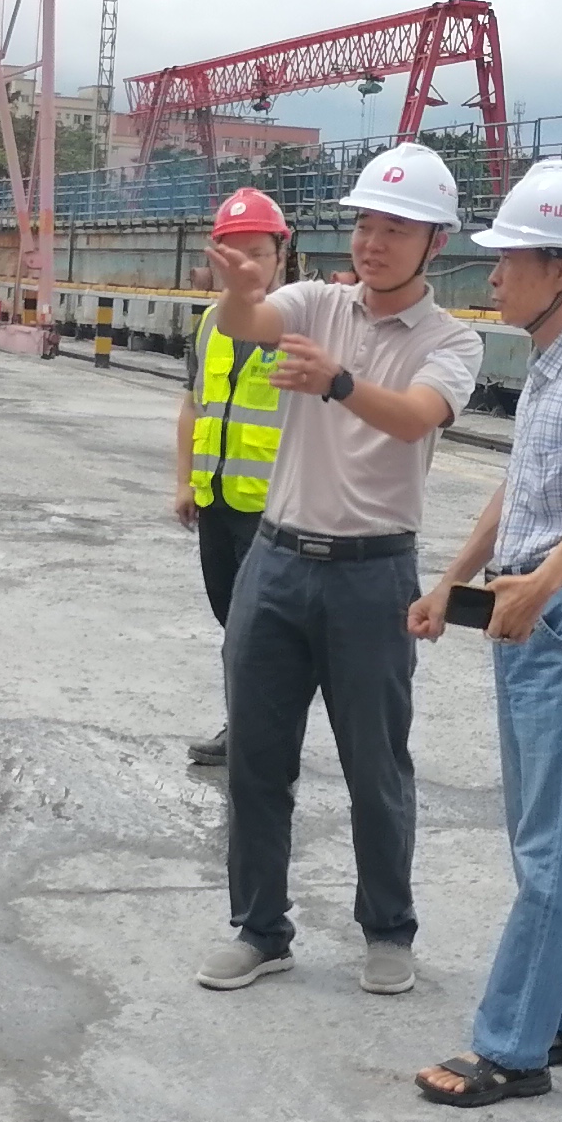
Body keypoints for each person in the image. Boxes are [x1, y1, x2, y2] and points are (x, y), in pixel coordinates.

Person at [194, 141, 483, 996]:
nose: (373, 243)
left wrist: (339, 382)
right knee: (257, 758)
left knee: (375, 764)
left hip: (372, 574)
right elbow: (248, 323)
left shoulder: (452, 340)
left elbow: (416, 415)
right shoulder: (316, 302)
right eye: (365, 225)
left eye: (396, 229)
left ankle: (388, 929)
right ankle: (260, 929)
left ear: (435, 243)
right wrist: (240, 291)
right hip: (277, 563)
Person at [408, 160, 562, 1107]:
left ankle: (513, 1047)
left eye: (509, 258)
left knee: (548, 843)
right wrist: (452, 581)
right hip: (540, 614)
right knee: (551, 833)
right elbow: (521, 494)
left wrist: (542, 584)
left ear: (561, 267)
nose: (494, 274)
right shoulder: (554, 367)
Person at [175, 186, 292, 769]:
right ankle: (247, 726)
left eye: (257, 252)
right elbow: (193, 405)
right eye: (232, 251)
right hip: (217, 502)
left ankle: (256, 737)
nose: (245, 264)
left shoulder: (300, 325)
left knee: (258, 630)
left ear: (281, 255)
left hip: (271, 511)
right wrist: (185, 483)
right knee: (230, 619)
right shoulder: (210, 326)